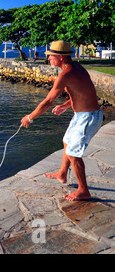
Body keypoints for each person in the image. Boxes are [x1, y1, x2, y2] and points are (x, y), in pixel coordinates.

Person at [20, 40, 103, 201]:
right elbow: (83, 92)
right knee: (66, 142)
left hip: (89, 117)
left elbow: (47, 102)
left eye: (51, 56)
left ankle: (83, 190)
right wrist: (66, 105)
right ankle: (62, 173)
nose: (49, 58)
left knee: (73, 153)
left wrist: (30, 117)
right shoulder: (75, 68)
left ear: (61, 57)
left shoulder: (66, 74)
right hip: (82, 115)